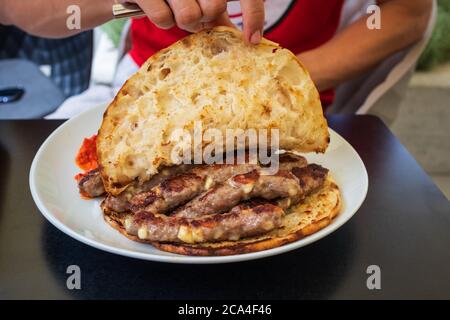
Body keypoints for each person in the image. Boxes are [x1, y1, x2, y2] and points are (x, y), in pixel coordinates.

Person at [0, 0, 433, 117]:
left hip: (289, 116)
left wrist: (287, 80)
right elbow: (17, 8)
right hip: (140, 107)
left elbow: (409, 14)